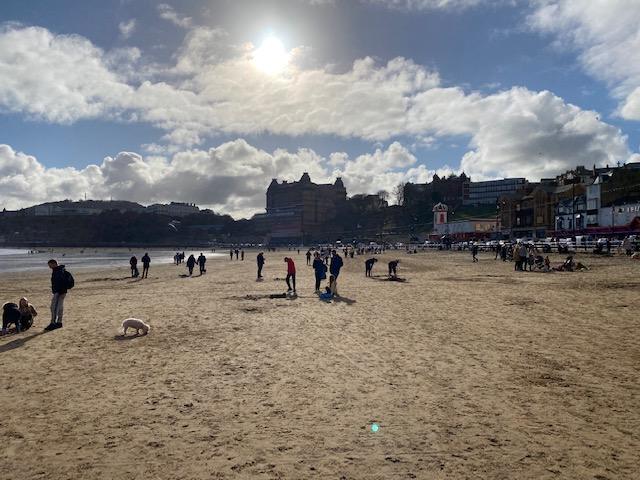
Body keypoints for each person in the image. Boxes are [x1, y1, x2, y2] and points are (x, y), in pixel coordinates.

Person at [45, 259, 73, 331]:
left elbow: (60, 282)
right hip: (61, 291)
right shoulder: (59, 270)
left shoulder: (58, 271)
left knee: (54, 307)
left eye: (49, 265)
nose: (49, 267)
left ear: (54, 263)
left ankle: (53, 323)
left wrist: (58, 291)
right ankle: (59, 322)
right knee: (59, 307)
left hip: (59, 292)